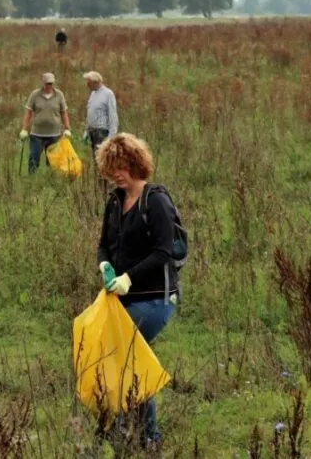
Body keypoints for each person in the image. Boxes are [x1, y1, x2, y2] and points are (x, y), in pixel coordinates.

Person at [95, 133, 178, 450]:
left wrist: (129, 277)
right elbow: (103, 244)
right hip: (120, 298)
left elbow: (164, 252)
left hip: (155, 298)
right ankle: (123, 427)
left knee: (128, 354)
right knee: (115, 356)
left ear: (137, 163)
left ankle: (148, 436)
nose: (118, 173)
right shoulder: (114, 202)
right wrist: (105, 267)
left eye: (124, 165)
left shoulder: (155, 201)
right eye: (112, 167)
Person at [20, 72, 72, 174]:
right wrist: (24, 129)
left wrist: (67, 128)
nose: (49, 86)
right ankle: (32, 179)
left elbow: (64, 113)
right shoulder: (35, 94)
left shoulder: (59, 95)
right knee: (33, 159)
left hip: (54, 135)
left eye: (51, 83)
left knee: (53, 161)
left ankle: (52, 179)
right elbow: (28, 112)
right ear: (43, 83)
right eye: (47, 83)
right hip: (37, 135)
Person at [83, 71, 118, 193]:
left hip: (102, 133)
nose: (87, 85)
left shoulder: (108, 94)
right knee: (97, 161)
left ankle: (108, 188)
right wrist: (86, 131)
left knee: (104, 161)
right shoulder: (93, 94)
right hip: (92, 132)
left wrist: (111, 136)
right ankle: (100, 187)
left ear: (95, 82)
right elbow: (90, 113)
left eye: (88, 82)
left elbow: (113, 116)